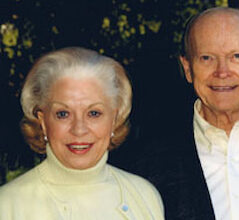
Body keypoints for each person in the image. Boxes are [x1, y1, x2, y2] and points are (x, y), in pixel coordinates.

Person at [114, 7, 239, 220]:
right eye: (207, 58)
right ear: (187, 68)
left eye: (236, 56)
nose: (222, 72)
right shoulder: (145, 163)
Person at [0, 47, 164, 220]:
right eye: (63, 114)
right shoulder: (8, 205)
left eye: (94, 113)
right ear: (43, 122)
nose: (79, 129)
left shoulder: (144, 195)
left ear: (114, 119)